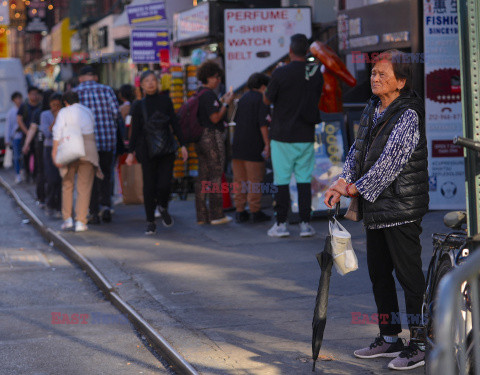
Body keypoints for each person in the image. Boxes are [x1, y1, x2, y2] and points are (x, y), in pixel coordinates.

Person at [324, 49, 428, 371]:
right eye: (373, 73)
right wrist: (341, 182)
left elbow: (389, 165)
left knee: (409, 278)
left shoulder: (408, 114)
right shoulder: (372, 107)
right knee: (379, 276)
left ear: (401, 81)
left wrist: (354, 188)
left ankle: (421, 341)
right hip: (376, 209)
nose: (375, 78)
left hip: (401, 208)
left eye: (383, 74)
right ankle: (389, 336)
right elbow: (357, 151)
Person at [263, 34, 323, 238]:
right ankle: (305, 224)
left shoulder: (280, 73)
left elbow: (267, 99)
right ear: (307, 51)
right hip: (305, 134)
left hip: (281, 136)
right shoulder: (315, 73)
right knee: (304, 180)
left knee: (281, 180)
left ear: (290, 51)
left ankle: (281, 224)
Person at [126, 70, 188, 235]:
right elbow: (136, 130)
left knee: (165, 183)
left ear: (158, 83)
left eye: (153, 80)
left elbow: (175, 123)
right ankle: (150, 221)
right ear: (142, 85)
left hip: (167, 148)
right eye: (147, 81)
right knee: (149, 185)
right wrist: (130, 152)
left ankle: (163, 206)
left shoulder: (166, 100)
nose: (151, 83)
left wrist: (183, 145)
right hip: (146, 150)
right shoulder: (138, 105)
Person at [73, 65, 120, 224]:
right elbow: (116, 113)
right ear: (95, 77)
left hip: (86, 145)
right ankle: (106, 206)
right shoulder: (106, 90)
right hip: (107, 141)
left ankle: (93, 212)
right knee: (105, 176)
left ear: (80, 78)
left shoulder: (75, 93)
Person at [52, 91, 102, 233]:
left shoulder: (63, 112)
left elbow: (57, 132)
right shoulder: (87, 111)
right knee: (84, 187)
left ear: (65, 102)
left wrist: (54, 152)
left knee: (67, 185)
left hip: (69, 149)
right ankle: (81, 221)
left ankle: (67, 219)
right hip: (88, 149)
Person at [194, 60, 234, 225]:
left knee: (203, 176)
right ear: (208, 77)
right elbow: (215, 117)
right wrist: (225, 103)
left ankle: (202, 215)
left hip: (200, 139)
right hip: (212, 138)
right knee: (216, 175)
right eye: (215, 77)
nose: (218, 80)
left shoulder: (198, 93)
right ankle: (217, 214)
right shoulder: (209, 95)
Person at [232, 72, 271, 224]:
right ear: (262, 86)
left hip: (238, 146)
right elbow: (263, 124)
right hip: (254, 146)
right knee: (255, 180)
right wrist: (267, 144)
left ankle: (240, 211)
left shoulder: (242, 99)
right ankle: (255, 210)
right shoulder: (262, 100)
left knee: (239, 180)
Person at [23, 89, 54, 207]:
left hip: (40, 144)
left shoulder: (38, 112)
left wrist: (26, 144)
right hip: (47, 144)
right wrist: (26, 144)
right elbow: (32, 128)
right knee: (48, 171)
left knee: (41, 171)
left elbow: (32, 129)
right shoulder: (46, 112)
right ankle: (48, 198)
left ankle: (42, 198)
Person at [41, 93, 63, 217]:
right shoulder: (45, 115)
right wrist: (56, 119)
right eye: (53, 105)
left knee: (61, 179)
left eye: (57, 105)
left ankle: (60, 206)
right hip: (49, 148)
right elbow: (47, 133)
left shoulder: (64, 114)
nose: (55, 107)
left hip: (62, 148)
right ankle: (50, 203)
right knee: (51, 178)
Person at [17, 86, 41, 183]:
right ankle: (27, 173)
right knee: (26, 155)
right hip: (26, 135)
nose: (34, 96)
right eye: (32, 94)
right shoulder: (24, 106)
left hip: (37, 136)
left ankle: (35, 175)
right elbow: (19, 120)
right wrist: (27, 132)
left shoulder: (40, 106)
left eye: (36, 94)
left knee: (36, 155)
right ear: (28, 95)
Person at [4, 92, 23, 183]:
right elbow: (8, 126)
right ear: (13, 100)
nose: (18, 100)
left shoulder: (24, 109)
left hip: (24, 136)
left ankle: (23, 172)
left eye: (20, 98)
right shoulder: (11, 112)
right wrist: (7, 139)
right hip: (15, 137)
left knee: (23, 156)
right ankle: (17, 174)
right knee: (16, 156)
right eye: (17, 98)